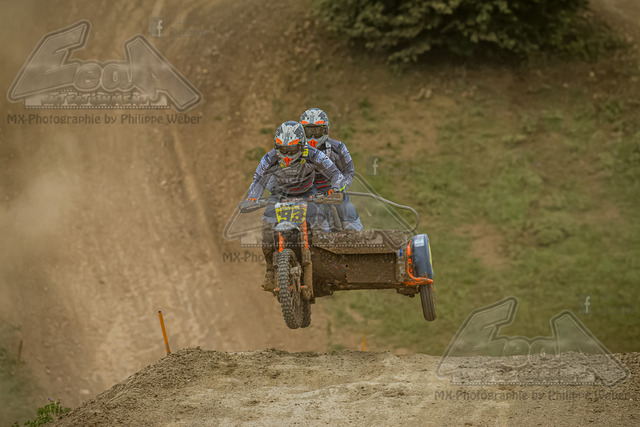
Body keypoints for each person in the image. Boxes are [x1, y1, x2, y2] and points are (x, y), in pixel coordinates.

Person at [238, 120, 346, 286]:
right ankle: (270, 270)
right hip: (279, 196)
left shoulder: (313, 154)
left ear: (301, 146)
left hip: (307, 194)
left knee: (321, 222)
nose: (287, 154)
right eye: (283, 149)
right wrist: (252, 198)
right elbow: (258, 179)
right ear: (277, 146)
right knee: (267, 225)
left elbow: (335, 173)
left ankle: (329, 265)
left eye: (292, 149)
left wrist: (336, 189)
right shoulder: (269, 158)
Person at [300, 108, 363, 231]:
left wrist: (338, 188)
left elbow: (349, 171)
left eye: (317, 131)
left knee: (345, 204)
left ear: (325, 130)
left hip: (331, 188)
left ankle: (355, 231)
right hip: (307, 191)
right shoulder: (295, 150)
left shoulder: (338, 147)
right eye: (308, 131)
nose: (312, 136)